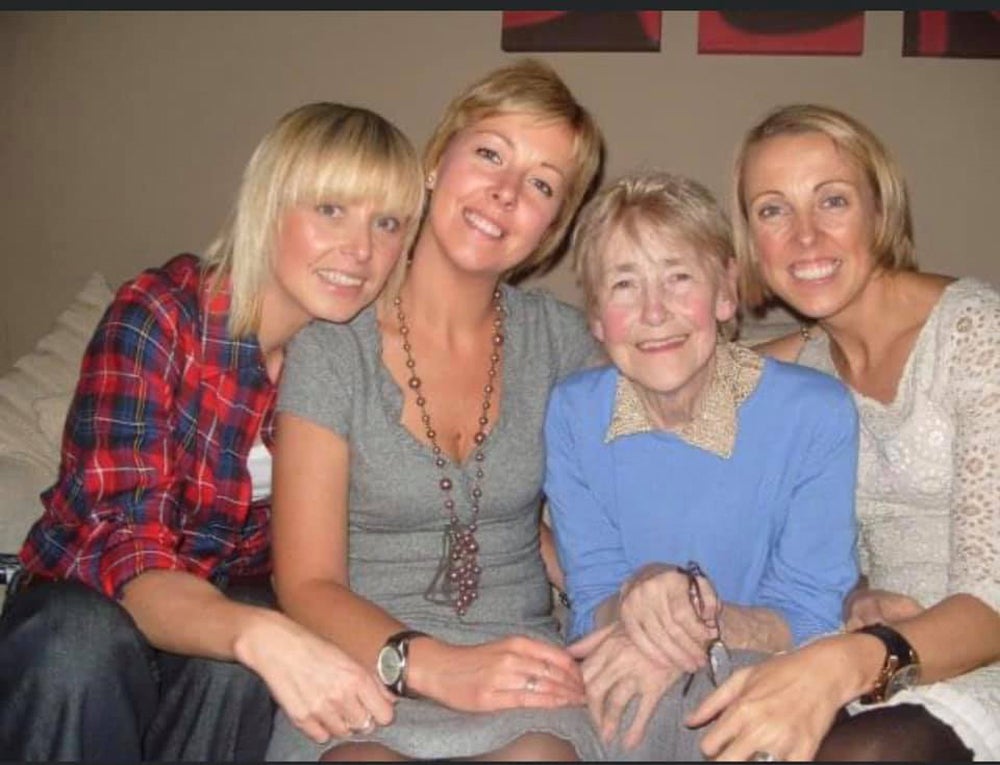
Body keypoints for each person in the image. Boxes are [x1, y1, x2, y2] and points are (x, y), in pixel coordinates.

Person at [0, 102, 425, 761]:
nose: (361, 250)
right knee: (80, 641)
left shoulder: (350, 363)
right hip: (86, 615)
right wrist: (259, 634)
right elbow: (126, 550)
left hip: (214, 646)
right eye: (330, 209)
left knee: (245, 659)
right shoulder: (160, 317)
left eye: (387, 222)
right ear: (268, 206)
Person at [263, 58, 606, 762]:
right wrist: (435, 667)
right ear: (435, 159)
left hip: (521, 668)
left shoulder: (563, 344)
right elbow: (305, 582)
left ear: (553, 226)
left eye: (542, 184)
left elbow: (673, 394)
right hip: (360, 664)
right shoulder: (333, 345)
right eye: (490, 155)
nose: (505, 193)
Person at [686, 103, 1000, 761]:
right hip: (873, 648)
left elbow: (993, 601)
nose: (805, 236)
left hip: (973, 655)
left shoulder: (977, 336)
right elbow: (643, 383)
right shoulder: (799, 370)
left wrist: (846, 661)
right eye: (773, 210)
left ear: (880, 212)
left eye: (832, 201)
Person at [542, 170, 861, 761]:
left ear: (724, 294)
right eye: (624, 284)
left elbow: (812, 612)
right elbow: (591, 597)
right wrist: (636, 595)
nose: (653, 312)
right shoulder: (573, 412)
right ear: (596, 317)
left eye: (678, 277)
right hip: (618, 663)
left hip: (765, 673)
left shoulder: (815, 412)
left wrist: (686, 630)